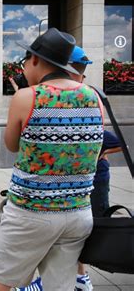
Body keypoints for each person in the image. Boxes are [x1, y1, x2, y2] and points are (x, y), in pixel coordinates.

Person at [0, 28, 104, 291]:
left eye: (24, 61)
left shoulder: (28, 96)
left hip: (31, 211)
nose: (24, 67)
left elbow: (12, 144)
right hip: (78, 213)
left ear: (35, 60)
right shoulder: (93, 96)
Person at [67, 46, 122, 291]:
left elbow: (113, 140)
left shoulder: (84, 95)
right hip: (83, 177)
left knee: (91, 227)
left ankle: (82, 277)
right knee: (80, 228)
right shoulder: (85, 94)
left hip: (95, 178)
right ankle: (80, 276)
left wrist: (98, 152)